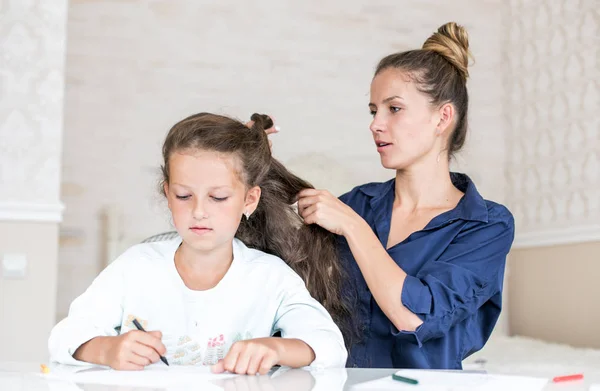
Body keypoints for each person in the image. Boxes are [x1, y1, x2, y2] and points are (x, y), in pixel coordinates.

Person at [263, 22, 515, 369]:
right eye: (373, 110)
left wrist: (354, 228)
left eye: (393, 109)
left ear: (442, 118)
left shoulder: (486, 225)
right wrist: (254, 165)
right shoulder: (358, 203)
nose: (375, 124)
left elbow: (415, 317)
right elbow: (282, 271)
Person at [48, 112, 348, 374]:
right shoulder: (135, 267)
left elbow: (331, 347)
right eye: (183, 196)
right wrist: (106, 350)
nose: (199, 211)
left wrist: (277, 349)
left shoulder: (270, 278)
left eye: (218, 197)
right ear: (167, 194)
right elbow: (63, 338)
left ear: (249, 200)